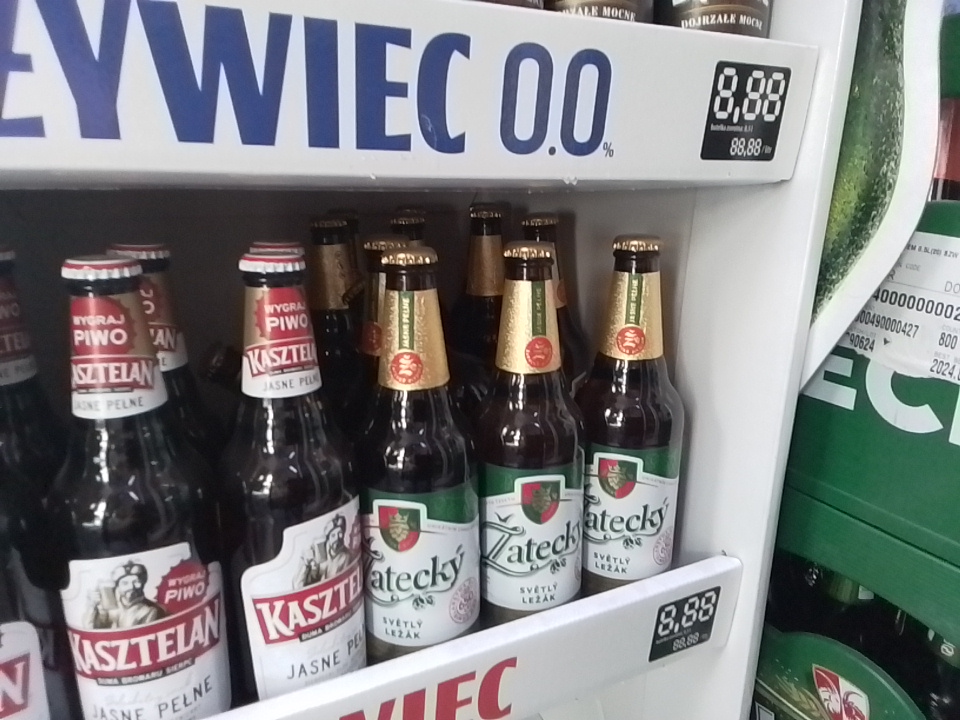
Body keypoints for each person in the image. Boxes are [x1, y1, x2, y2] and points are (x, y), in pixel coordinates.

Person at [86, 562, 167, 629]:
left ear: (143, 583)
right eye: (125, 583)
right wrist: (93, 607)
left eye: (136, 582)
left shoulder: (151, 610)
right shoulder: (108, 606)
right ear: (118, 586)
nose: (131, 587)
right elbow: (92, 629)